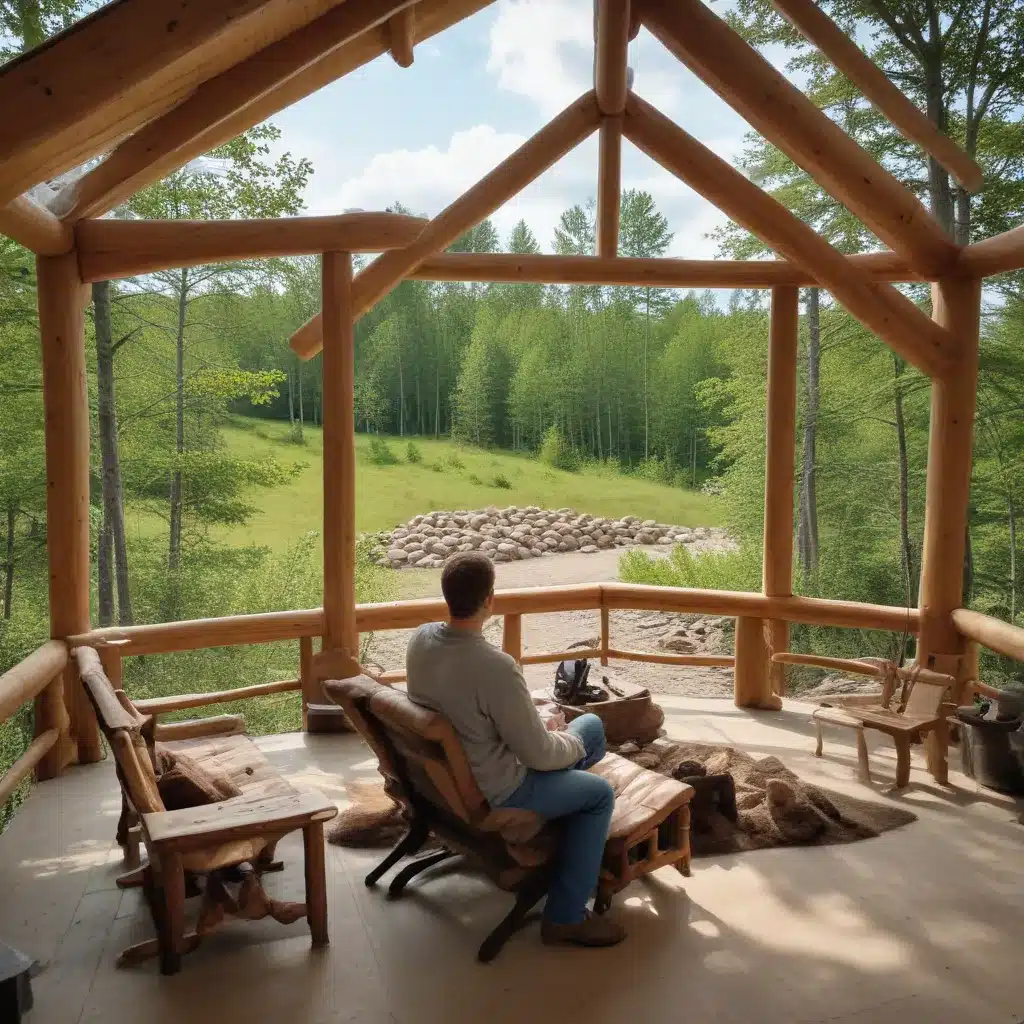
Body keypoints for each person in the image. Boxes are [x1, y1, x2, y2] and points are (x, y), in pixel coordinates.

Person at [406, 550, 625, 948]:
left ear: (447, 595)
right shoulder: (494, 666)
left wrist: (545, 729)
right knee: (598, 792)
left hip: (453, 774)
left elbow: (474, 717)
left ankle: (565, 794)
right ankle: (565, 916)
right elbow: (537, 756)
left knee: (590, 724)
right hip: (499, 789)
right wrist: (564, 742)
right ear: (490, 600)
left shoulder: (421, 639)